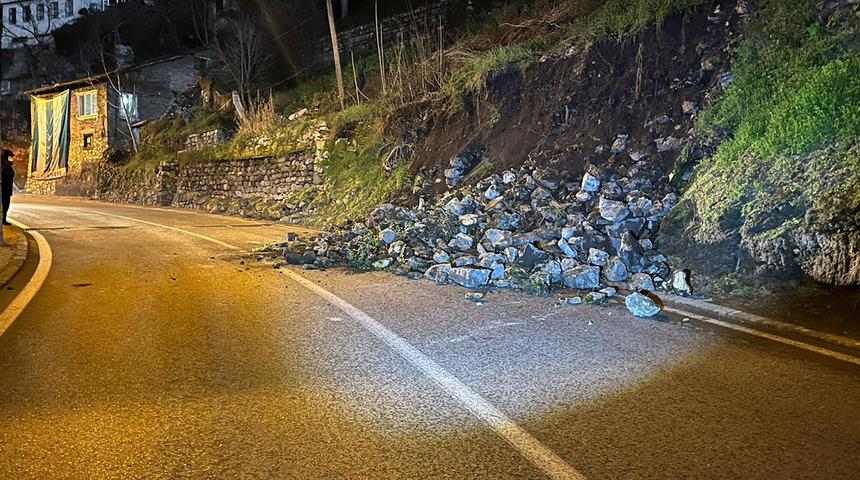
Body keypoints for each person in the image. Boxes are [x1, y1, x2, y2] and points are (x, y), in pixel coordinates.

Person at [1, 149, 14, 226]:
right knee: (5, 204)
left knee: (6, 204)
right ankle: (3, 219)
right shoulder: (5, 165)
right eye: (10, 157)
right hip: (4, 188)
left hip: (7, 188)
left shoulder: (8, 165)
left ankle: (4, 219)